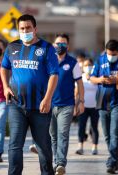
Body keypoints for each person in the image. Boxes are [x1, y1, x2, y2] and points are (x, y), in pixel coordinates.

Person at [0, 14, 59, 175]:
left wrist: (47, 99)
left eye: (28, 28)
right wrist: (5, 87)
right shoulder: (12, 47)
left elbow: (54, 74)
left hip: (40, 107)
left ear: (35, 29)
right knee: (14, 145)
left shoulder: (46, 48)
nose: (25, 31)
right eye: (22, 28)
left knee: (43, 146)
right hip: (16, 105)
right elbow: (3, 67)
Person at [90, 39, 118, 174]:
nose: (111, 56)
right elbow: (91, 78)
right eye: (109, 53)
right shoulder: (100, 60)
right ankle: (116, 157)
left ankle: (112, 162)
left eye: (114, 54)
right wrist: (100, 80)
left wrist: (116, 80)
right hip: (102, 102)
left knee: (115, 133)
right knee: (107, 135)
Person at [49, 33, 84, 175]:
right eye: (57, 43)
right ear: (53, 45)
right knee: (53, 136)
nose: (60, 46)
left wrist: (81, 101)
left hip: (67, 105)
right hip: (50, 105)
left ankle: (61, 163)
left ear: (68, 46)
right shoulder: (48, 61)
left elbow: (80, 83)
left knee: (63, 134)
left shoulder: (73, 63)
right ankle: (56, 161)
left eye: (63, 44)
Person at [75, 58, 99, 156]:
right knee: (81, 126)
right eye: (85, 65)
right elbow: (76, 92)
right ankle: (80, 146)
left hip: (95, 107)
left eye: (89, 65)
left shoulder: (96, 78)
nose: (87, 67)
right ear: (83, 67)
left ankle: (94, 147)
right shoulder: (80, 77)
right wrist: (75, 105)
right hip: (83, 107)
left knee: (94, 127)